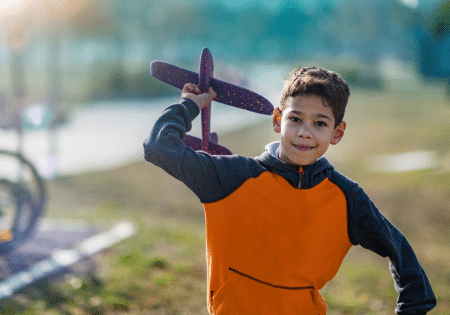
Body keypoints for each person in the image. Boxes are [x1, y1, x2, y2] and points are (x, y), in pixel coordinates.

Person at [143, 66, 436, 314]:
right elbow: (159, 147)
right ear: (277, 120)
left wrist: (414, 305)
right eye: (295, 119)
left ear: (337, 133)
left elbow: (397, 247)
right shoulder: (231, 175)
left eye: (319, 123)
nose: (304, 132)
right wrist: (189, 105)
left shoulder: (346, 197)